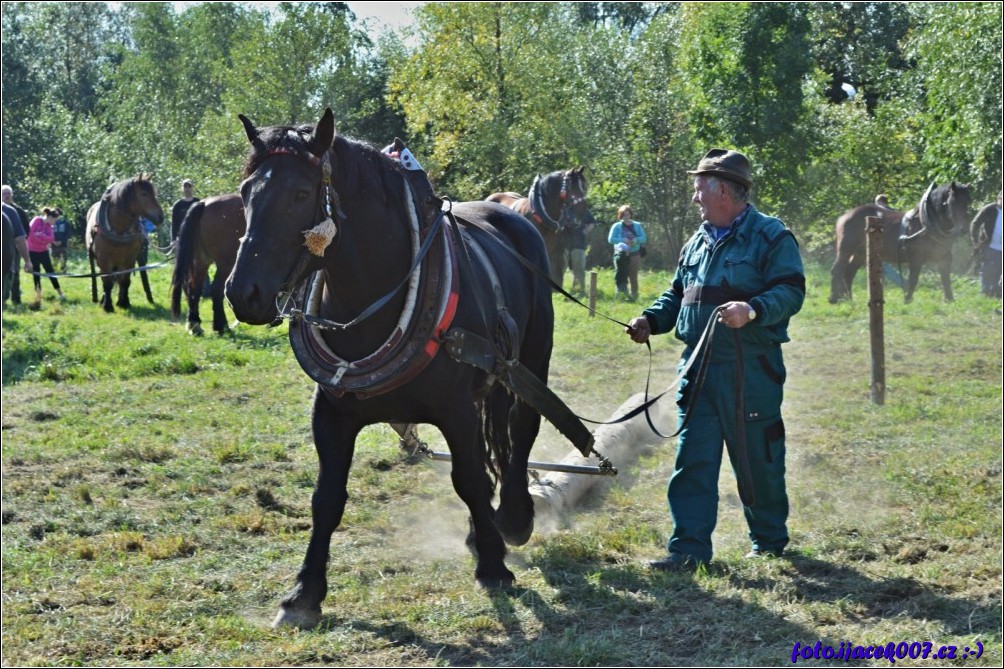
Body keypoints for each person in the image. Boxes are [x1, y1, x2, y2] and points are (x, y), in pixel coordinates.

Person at [625, 148, 805, 571]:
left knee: (757, 457)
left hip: (750, 370)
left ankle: (769, 543)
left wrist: (753, 310)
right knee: (694, 459)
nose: (695, 199)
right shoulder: (697, 240)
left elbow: (791, 291)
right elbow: (678, 294)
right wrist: (651, 320)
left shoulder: (771, 236)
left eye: (699, 190)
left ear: (724, 191)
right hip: (698, 370)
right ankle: (687, 551)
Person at [607, 205, 647, 301]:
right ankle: (621, 295)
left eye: (627, 214)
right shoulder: (616, 226)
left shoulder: (637, 225)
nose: (626, 217)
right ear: (620, 216)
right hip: (621, 255)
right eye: (623, 215)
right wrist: (622, 240)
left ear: (630, 215)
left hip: (634, 253)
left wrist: (636, 240)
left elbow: (644, 238)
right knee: (621, 274)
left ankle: (634, 295)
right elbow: (610, 239)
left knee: (633, 275)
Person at [2, 184, 32, 304]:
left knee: (14, 274)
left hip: (13, 249)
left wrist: (25, 257)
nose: (7, 196)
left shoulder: (17, 211)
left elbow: (23, 233)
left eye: (9, 193)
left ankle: (15, 298)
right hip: (8, 250)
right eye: (4, 193)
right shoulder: (10, 212)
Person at [27, 207, 65, 301]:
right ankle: (38, 294)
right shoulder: (37, 220)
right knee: (36, 272)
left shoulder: (49, 227)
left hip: (44, 251)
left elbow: (51, 238)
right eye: (55, 220)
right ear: (51, 217)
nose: (55, 222)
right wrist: (43, 240)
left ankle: (60, 293)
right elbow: (30, 234)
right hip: (32, 251)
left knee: (50, 271)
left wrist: (41, 235)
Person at [981, 192, 1002, 299]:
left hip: (1001, 249)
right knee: (987, 269)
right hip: (990, 246)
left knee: (998, 271)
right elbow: (975, 223)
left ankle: (995, 292)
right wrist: (976, 240)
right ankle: (985, 291)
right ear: (998, 198)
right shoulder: (990, 210)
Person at [50, 208, 71, 273]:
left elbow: (68, 233)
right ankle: (54, 270)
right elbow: (49, 232)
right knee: (54, 258)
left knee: (64, 258)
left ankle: (63, 270)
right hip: (53, 245)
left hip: (63, 244)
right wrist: (53, 241)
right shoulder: (51, 222)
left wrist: (61, 241)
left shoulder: (65, 222)